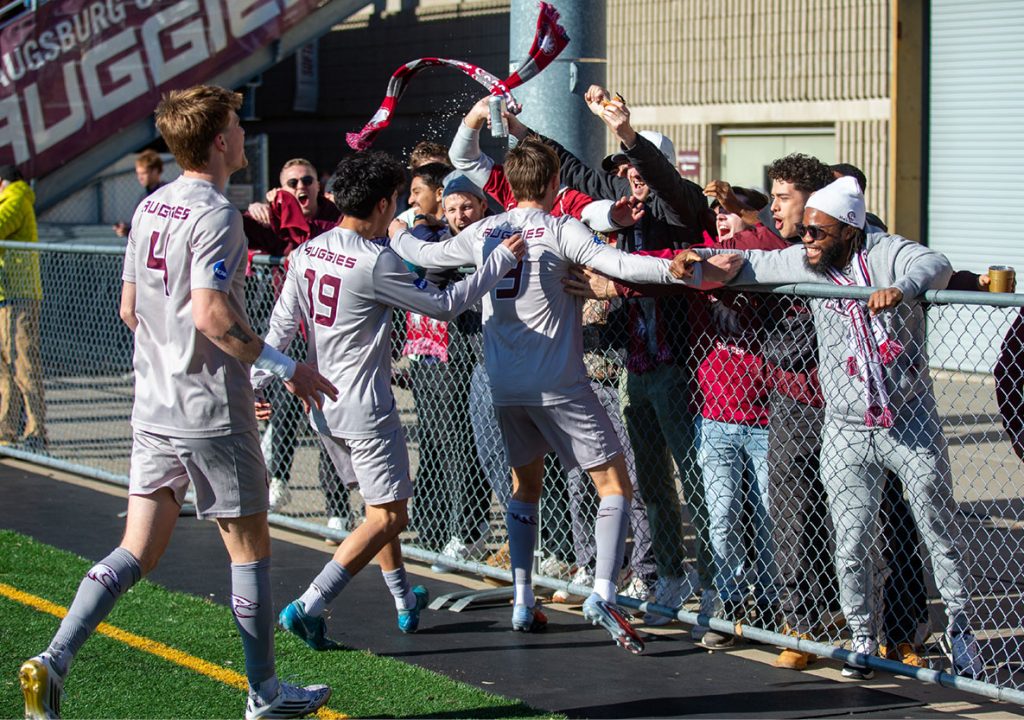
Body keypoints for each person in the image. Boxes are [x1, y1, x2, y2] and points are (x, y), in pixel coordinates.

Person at [19, 85, 337, 720]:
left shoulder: (151, 207)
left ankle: (54, 659)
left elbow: (131, 310)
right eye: (237, 126)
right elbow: (214, 315)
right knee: (249, 549)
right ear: (219, 140)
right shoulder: (216, 214)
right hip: (210, 411)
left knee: (137, 550)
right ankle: (265, 695)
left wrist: (174, 360)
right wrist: (285, 368)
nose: (244, 134)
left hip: (153, 410)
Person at [387, 138, 704, 653]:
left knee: (523, 488)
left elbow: (423, 254)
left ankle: (521, 597)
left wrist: (398, 228)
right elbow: (621, 266)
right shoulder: (561, 228)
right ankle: (603, 591)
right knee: (615, 484)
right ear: (557, 182)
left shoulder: (486, 229)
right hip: (559, 383)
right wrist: (670, 268)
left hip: (505, 385)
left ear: (507, 185)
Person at [692, 176, 983, 680]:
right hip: (845, 428)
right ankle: (862, 638)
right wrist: (691, 262)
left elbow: (934, 265)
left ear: (850, 229)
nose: (806, 240)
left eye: (817, 232)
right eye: (804, 231)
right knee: (849, 544)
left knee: (938, 532)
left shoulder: (888, 251)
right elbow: (750, 261)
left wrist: (902, 289)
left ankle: (961, 632)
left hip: (907, 421)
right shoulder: (807, 259)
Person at [260, 151, 524, 647]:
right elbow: (445, 305)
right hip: (365, 407)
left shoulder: (309, 250)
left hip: (323, 406)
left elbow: (278, 328)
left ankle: (405, 601)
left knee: (377, 510)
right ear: (383, 204)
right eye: (397, 202)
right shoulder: (375, 259)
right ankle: (310, 605)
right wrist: (500, 261)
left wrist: (262, 383)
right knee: (388, 516)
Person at [244, 158, 346, 522]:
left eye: (308, 180)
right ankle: (279, 480)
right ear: (281, 187)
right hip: (291, 332)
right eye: (292, 183)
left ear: (320, 184)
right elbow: (240, 230)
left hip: (333, 332)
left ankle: (338, 509)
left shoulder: (337, 216)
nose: (301, 187)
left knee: (328, 418)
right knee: (286, 409)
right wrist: (259, 208)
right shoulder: (276, 216)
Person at [0, 164, 45, 450]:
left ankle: (36, 431)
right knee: (6, 365)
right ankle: (7, 428)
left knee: (24, 364)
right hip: (6, 295)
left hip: (19, 294)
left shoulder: (16, 197)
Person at [112, 149, 166, 238]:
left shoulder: (167, 195)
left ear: (156, 171)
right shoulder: (143, 197)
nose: (140, 177)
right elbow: (139, 225)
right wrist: (126, 229)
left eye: (144, 173)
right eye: (138, 174)